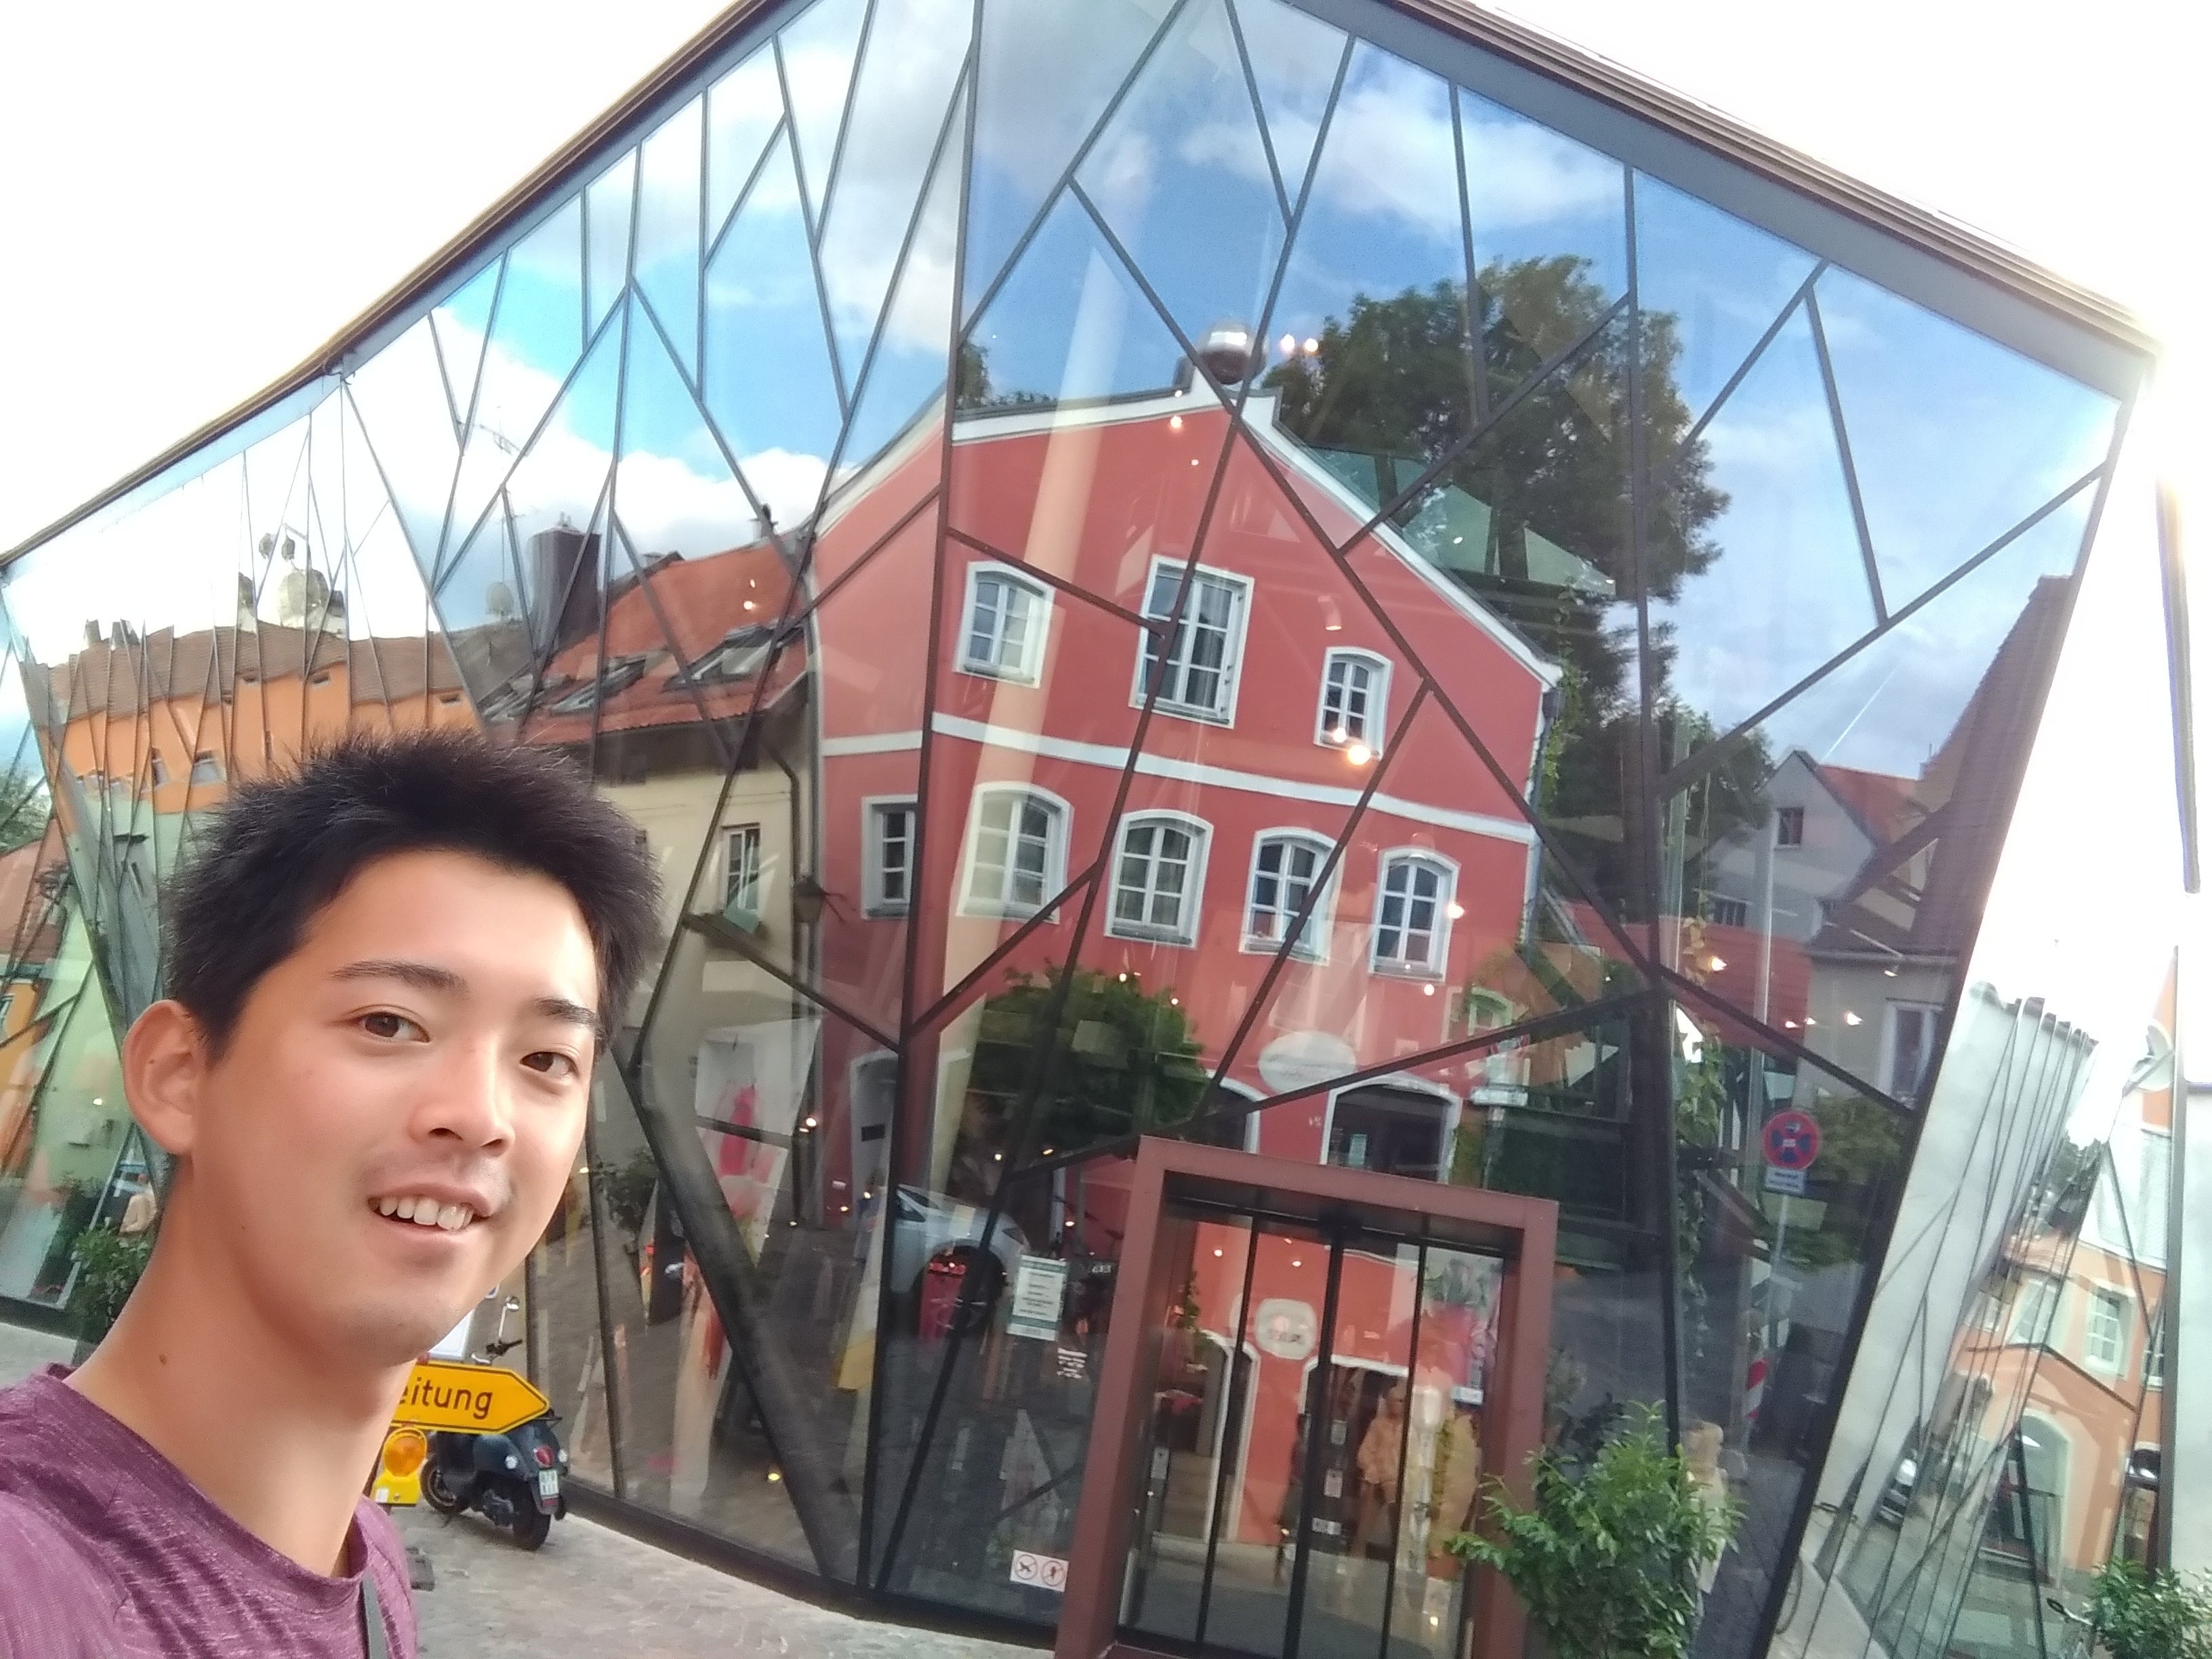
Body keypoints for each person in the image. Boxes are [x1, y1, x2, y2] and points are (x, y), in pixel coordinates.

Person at [0, 733, 659, 1657]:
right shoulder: (29, 1583)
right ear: (179, 1074)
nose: (481, 1117)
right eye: (389, 1022)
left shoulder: (370, 1566)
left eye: (547, 1059)